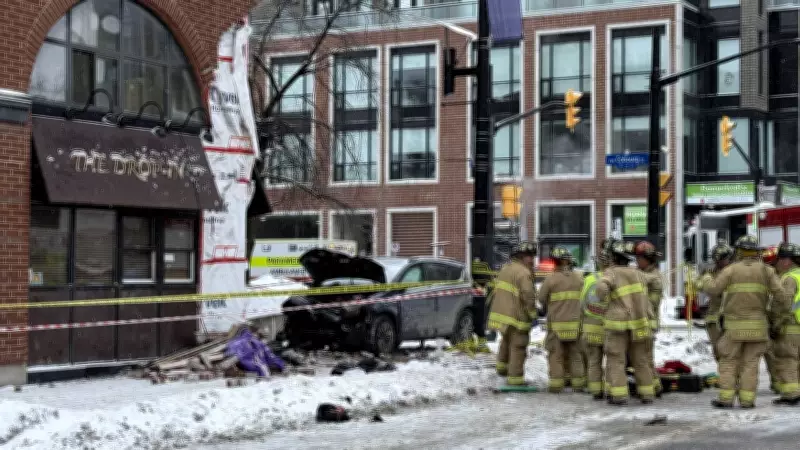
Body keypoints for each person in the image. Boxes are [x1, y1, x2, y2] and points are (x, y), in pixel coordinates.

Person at [700, 235, 785, 408]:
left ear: (739, 251)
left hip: (734, 328)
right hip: (758, 327)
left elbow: (713, 290)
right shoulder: (767, 271)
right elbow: (782, 297)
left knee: (729, 361)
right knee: (751, 364)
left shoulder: (731, 270)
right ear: (756, 251)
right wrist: (772, 314)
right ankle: (747, 400)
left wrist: (706, 278)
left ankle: (726, 398)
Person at [595, 240, 655, 405]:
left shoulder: (612, 273)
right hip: (640, 324)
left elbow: (600, 290)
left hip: (618, 326)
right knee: (641, 360)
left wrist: (604, 297)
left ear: (613, 257)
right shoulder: (638, 274)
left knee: (616, 359)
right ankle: (647, 393)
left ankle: (619, 395)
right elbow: (652, 288)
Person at [488, 241, 538, 387]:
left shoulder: (506, 268)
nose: (532, 260)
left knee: (506, 341)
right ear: (522, 256)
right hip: (516, 316)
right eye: (530, 256)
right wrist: (532, 312)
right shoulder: (523, 272)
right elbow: (528, 294)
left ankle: (502, 368)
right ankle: (516, 378)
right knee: (518, 345)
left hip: (502, 315)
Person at [539, 246, 586, 393]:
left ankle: (556, 385)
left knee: (556, 355)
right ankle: (578, 383)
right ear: (567, 261)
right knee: (575, 354)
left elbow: (541, 298)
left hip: (557, 326)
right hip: (576, 324)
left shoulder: (550, 279)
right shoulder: (579, 278)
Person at [580, 240, 614, 399]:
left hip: (591, 327)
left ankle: (596, 391)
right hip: (610, 327)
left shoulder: (589, 279)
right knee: (613, 361)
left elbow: (582, 303)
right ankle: (612, 389)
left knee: (594, 361)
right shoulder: (615, 280)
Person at [769, 243, 800, 405]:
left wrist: (776, 324)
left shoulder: (789, 278)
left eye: (780, 259)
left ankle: (791, 394)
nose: (778, 263)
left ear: (788, 260)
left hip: (791, 326)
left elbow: (786, 304)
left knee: (786, 359)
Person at [634, 240, 664, 397]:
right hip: (643, 321)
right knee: (645, 357)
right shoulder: (645, 274)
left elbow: (649, 300)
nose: (637, 262)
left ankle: (653, 387)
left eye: (639, 259)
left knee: (644, 358)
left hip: (648, 322)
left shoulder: (653, 277)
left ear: (648, 259)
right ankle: (655, 385)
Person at [700, 241, 734, 363]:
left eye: (720, 260)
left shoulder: (732, 273)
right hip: (714, 318)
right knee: (718, 351)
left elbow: (713, 289)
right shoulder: (714, 271)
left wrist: (706, 278)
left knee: (727, 352)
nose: (717, 263)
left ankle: (732, 377)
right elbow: (700, 285)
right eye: (715, 260)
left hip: (727, 318)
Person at [762, 245, 781, 394]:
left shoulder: (784, 277)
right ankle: (777, 382)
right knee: (771, 353)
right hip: (771, 320)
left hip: (779, 320)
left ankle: (779, 383)